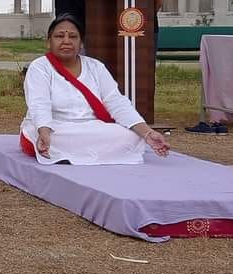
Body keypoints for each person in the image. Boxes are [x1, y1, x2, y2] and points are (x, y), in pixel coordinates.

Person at [20, 14, 170, 165]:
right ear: (49, 42)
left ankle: (73, 154)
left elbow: (117, 102)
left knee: (131, 136)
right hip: (54, 127)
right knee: (52, 137)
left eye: (73, 36)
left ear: (81, 43)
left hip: (90, 127)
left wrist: (147, 133)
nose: (66, 41)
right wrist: (44, 131)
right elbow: (39, 104)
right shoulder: (40, 67)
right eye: (59, 36)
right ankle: (58, 147)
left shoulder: (95, 67)